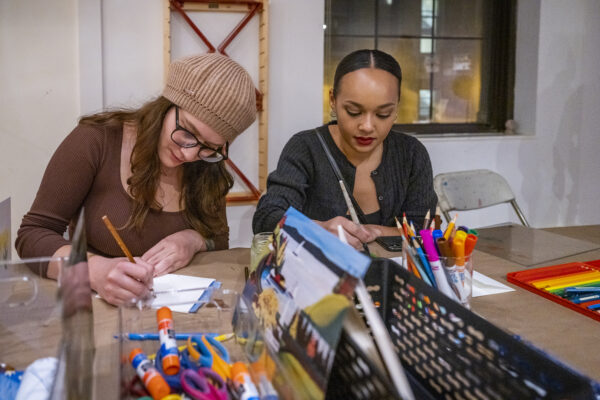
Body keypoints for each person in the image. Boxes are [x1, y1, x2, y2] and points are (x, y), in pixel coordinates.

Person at [16, 53, 257, 305]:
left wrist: (193, 240)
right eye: (187, 131)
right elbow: (32, 235)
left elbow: (218, 239)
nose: (188, 153)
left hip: (178, 316)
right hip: (97, 311)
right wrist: (94, 271)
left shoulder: (207, 167)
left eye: (209, 147)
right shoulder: (96, 141)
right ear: (167, 104)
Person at [252, 49, 437, 250]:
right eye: (353, 111)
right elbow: (267, 218)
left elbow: (423, 228)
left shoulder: (411, 154)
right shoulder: (306, 148)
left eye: (383, 114)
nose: (367, 126)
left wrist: (375, 231)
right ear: (333, 99)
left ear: (396, 108)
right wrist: (319, 229)